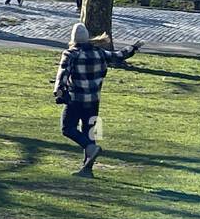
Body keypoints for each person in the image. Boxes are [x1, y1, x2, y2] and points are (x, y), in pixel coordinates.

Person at [53, 23, 142, 177]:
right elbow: (119, 55)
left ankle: (89, 148)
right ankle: (87, 170)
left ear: (73, 39)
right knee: (90, 133)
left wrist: (59, 91)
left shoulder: (70, 54)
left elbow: (63, 75)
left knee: (67, 128)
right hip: (94, 102)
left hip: (76, 100)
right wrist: (133, 48)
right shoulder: (99, 52)